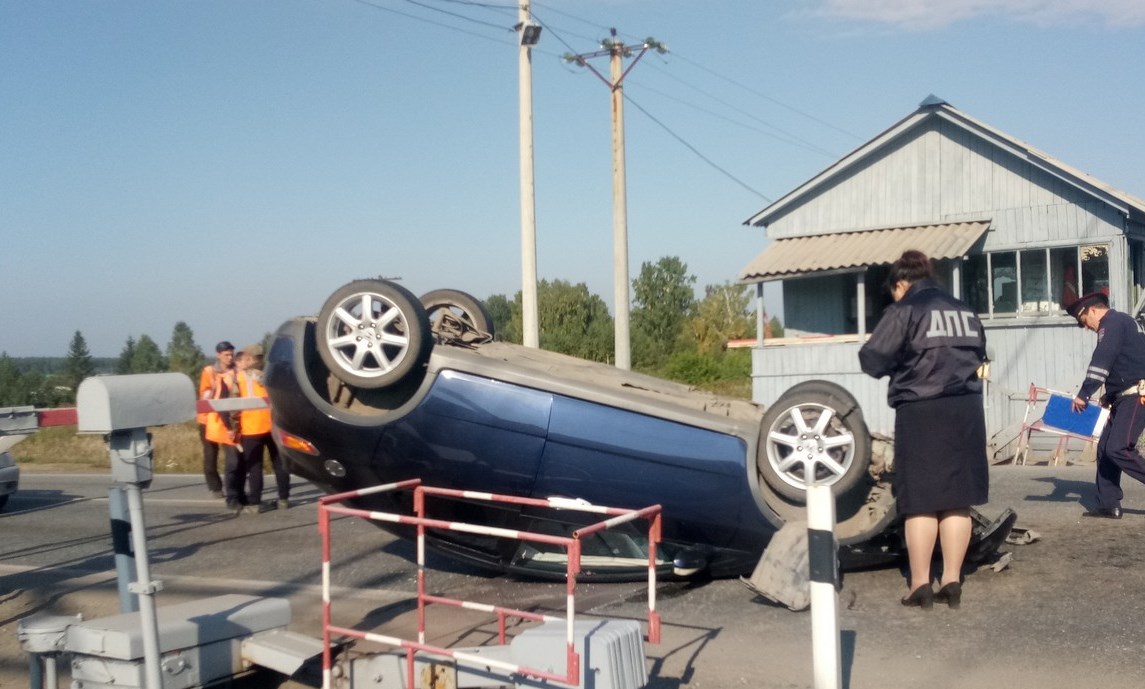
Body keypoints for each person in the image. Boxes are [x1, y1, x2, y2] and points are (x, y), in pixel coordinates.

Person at [858, 250, 989, 610]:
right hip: (965, 409)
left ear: (901, 284)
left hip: (921, 410)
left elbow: (872, 358)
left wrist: (900, 363)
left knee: (921, 501)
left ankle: (919, 584)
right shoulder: (964, 310)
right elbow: (980, 354)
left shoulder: (905, 310)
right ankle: (951, 579)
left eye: (894, 290)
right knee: (956, 499)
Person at [1066, 291, 1145, 519]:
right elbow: (1128, 361)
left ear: (1092, 310)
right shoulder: (1124, 322)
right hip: (1125, 395)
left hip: (1136, 395)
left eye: (1085, 322)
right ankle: (1108, 504)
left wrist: (1085, 392)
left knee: (1118, 447)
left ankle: (1109, 502)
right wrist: (1110, 394)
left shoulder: (1111, 322)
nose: (1088, 328)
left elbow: (1103, 357)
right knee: (1105, 449)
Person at [234, 343, 290, 511]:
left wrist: (234, 426)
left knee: (255, 466)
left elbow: (234, 405)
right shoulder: (272, 374)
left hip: (251, 427)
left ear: (249, 358)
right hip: (273, 424)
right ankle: (284, 499)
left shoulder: (241, 377)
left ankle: (256, 503)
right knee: (279, 463)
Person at [197, 341, 235, 498]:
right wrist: (215, 392)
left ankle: (232, 485)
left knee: (232, 455)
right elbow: (204, 393)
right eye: (226, 355)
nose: (230, 357)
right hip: (208, 419)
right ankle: (215, 487)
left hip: (228, 419)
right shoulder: (209, 371)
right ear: (218, 355)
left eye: (231, 354)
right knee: (210, 454)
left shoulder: (236, 371)